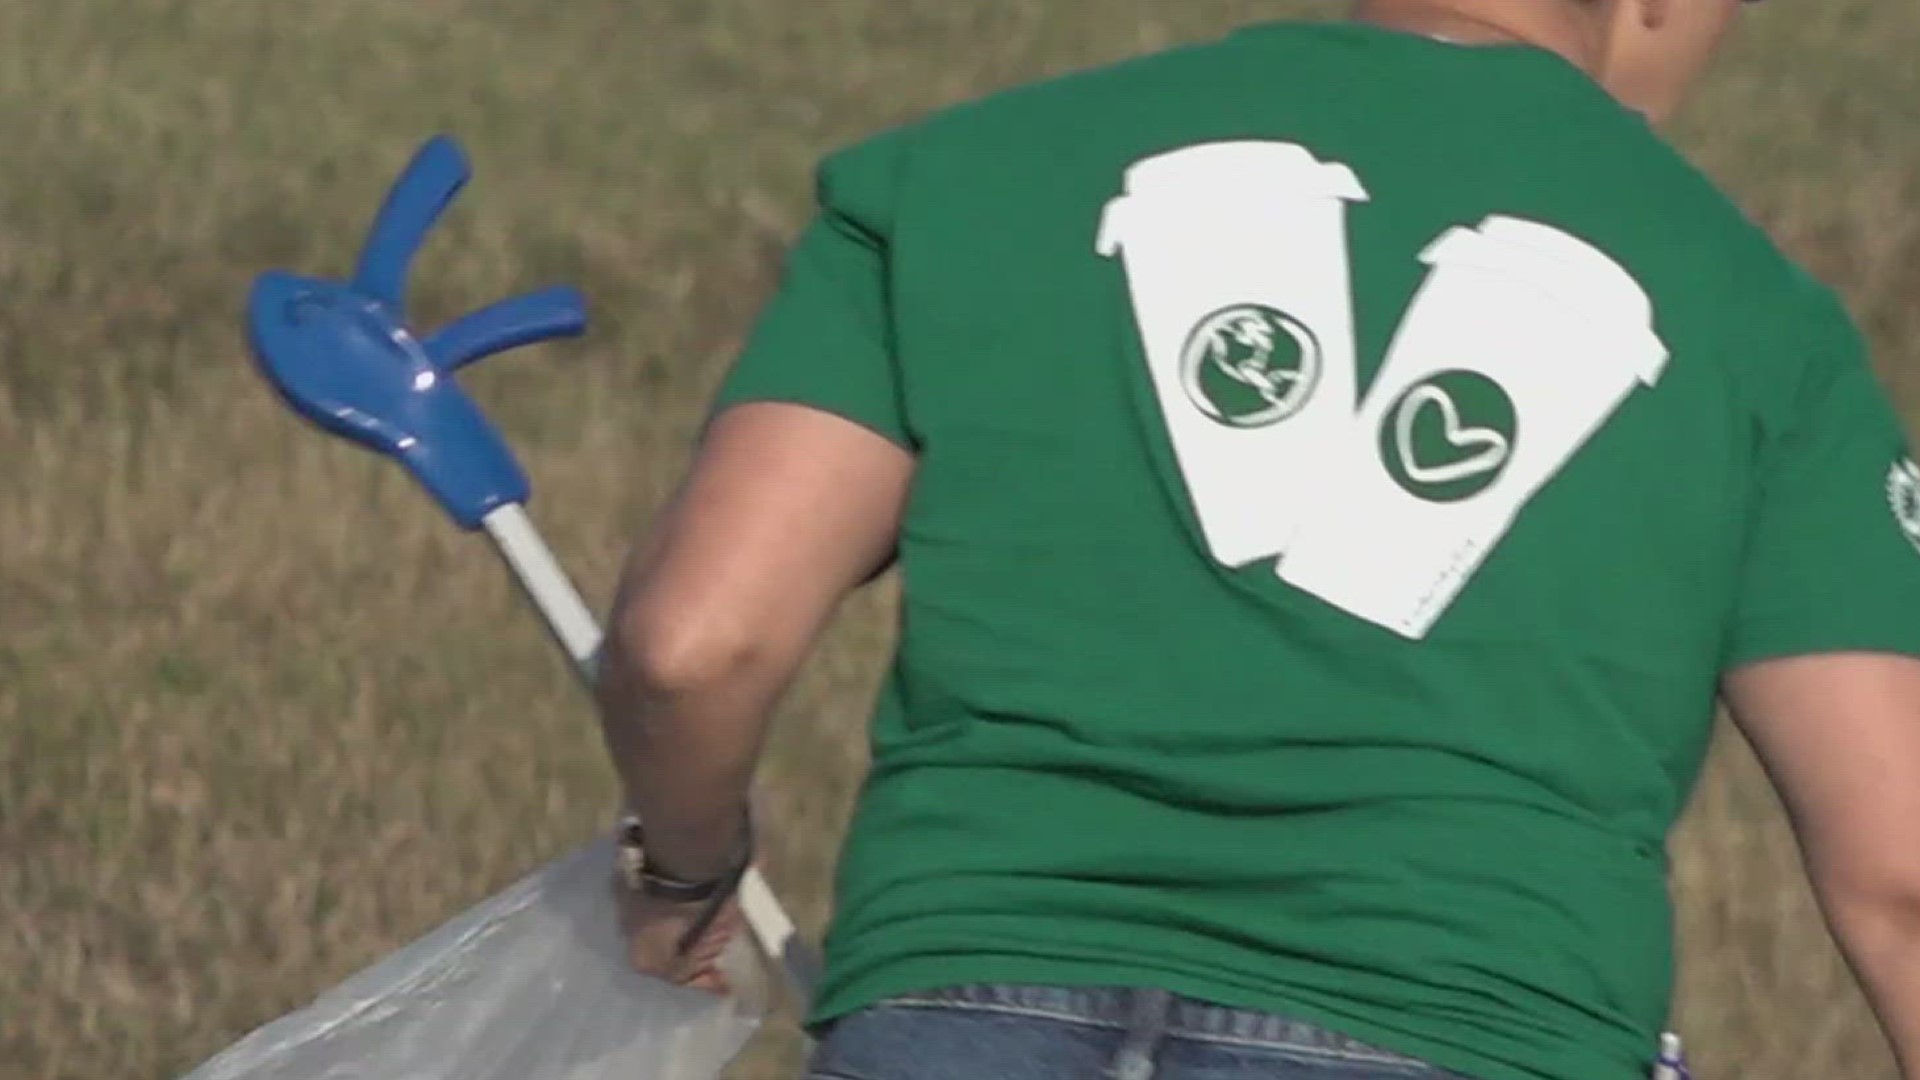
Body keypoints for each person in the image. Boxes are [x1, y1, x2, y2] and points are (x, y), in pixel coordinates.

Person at [590, 1, 1920, 1077]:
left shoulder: (963, 175)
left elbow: (692, 643)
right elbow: (1899, 870)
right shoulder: (1760, 318)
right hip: (1467, 1027)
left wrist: (685, 870)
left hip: (954, 1012)